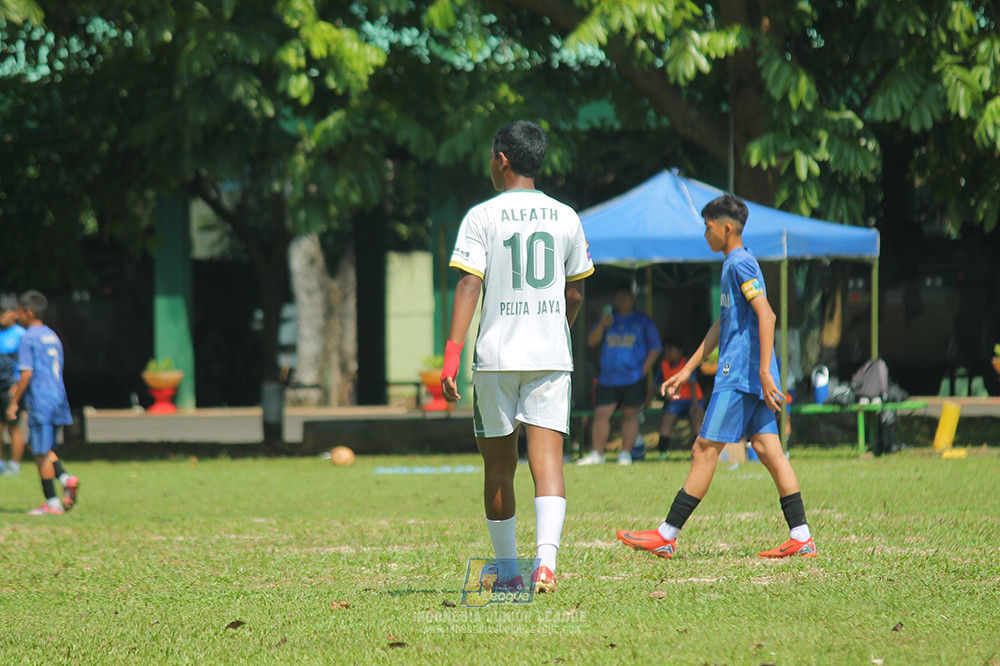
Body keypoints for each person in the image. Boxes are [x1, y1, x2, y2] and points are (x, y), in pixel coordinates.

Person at [617, 194, 817, 559]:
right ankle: (801, 535)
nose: (704, 234)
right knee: (768, 450)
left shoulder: (740, 263)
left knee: (703, 449)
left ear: (727, 228)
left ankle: (667, 534)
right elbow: (723, 324)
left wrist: (760, 371)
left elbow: (767, 316)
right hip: (749, 375)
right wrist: (688, 369)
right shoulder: (732, 266)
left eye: (708, 227)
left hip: (740, 376)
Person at [441, 120, 593, 595]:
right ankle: (545, 566)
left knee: (499, 467)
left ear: (501, 159)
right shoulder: (566, 216)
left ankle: (509, 573)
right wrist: (556, 331)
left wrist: (450, 357)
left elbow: (469, 284)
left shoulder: (482, 216)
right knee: (547, 461)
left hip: (497, 358)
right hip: (550, 356)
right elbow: (575, 291)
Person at [6, 290, 80, 515]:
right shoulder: (52, 335)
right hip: (58, 396)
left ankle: (52, 502)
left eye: (19, 312)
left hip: (40, 399)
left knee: (40, 452)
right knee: (44, 448)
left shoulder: (28, 338)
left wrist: (14, 401)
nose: (17, 316)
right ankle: (66, 479)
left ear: (28, 312)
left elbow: (26, 373)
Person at [577, 283, 660, 466]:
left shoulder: (643, 320)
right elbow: (591, 341)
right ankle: (598, 453)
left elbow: (655, 348)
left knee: (630, 415)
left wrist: (642, 371)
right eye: (618, 295)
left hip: (632, 377)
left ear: (633, 298)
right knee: (601, 414)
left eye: (625, 295)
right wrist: (602, 324)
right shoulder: (608, 318)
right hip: (608, 377)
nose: (621, 299)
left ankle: (626, 453)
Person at [650, 339, 704, 457]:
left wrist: (695, 406)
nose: (668, 353)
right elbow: (654, 386)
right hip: (677, 400)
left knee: (696, 420)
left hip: (694, 399)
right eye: (666, 350)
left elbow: (692, 383)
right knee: (667, 420)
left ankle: (697, 453)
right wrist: (646, 404)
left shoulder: (687, 363)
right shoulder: (663, 365)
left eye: (671, 350)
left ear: (680, 352)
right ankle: (662, 453)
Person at [0, 296, 27, 477]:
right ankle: (1, 464)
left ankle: (15, 465)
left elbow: (24, 365)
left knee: (13, 426)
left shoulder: (21, 334)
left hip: (11, 387)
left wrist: (17, 386)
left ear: (14, 314)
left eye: (3, 312)